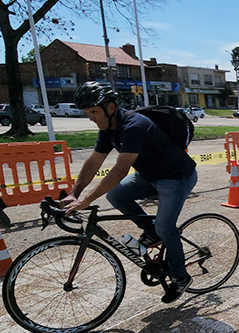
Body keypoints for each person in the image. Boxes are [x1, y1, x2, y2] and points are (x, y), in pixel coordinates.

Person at [62, 81, 197, 303]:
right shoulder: (108, 129)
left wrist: (86, 200)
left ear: (111, 108)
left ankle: (181, 278)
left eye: (94, 112)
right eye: (87, 113)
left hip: (176, 177)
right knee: (116, 195)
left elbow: (120, 170)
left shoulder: (135, 125)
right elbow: (94, 161)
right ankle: (150, 231)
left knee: (165, 228)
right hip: (149, 176)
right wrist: (74, 193)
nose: (91, 118)